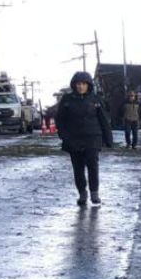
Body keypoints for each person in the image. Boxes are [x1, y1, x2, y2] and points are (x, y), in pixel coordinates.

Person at [56, 71, 113, 206]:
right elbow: (60, 119)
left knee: (93, 166)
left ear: (88, 85)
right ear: (74, 85)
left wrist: (108, 139)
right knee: (78, 168)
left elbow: (104, 119)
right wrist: (63, 136)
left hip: (92, 138)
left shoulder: (96, 100)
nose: (80, 87)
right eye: (78, 84)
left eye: (83, 84)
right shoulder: (67, 100)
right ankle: (82, 193)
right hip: (73, 139)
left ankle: (94, 193)